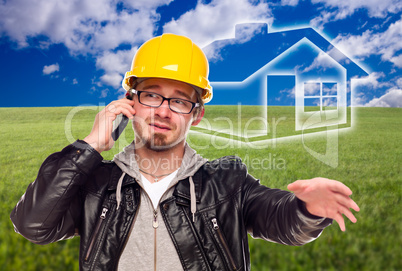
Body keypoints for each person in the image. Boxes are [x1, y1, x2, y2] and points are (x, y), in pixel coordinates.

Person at [10, 33, 359, 271]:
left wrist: (307, 209)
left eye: (179, 100)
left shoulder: (227, 182)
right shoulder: (96, 184)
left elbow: (281, 220)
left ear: (196, 113)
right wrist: (89, 147)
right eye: (151, 95)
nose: (163, 110)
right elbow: (33, 225)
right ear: (130, 101)